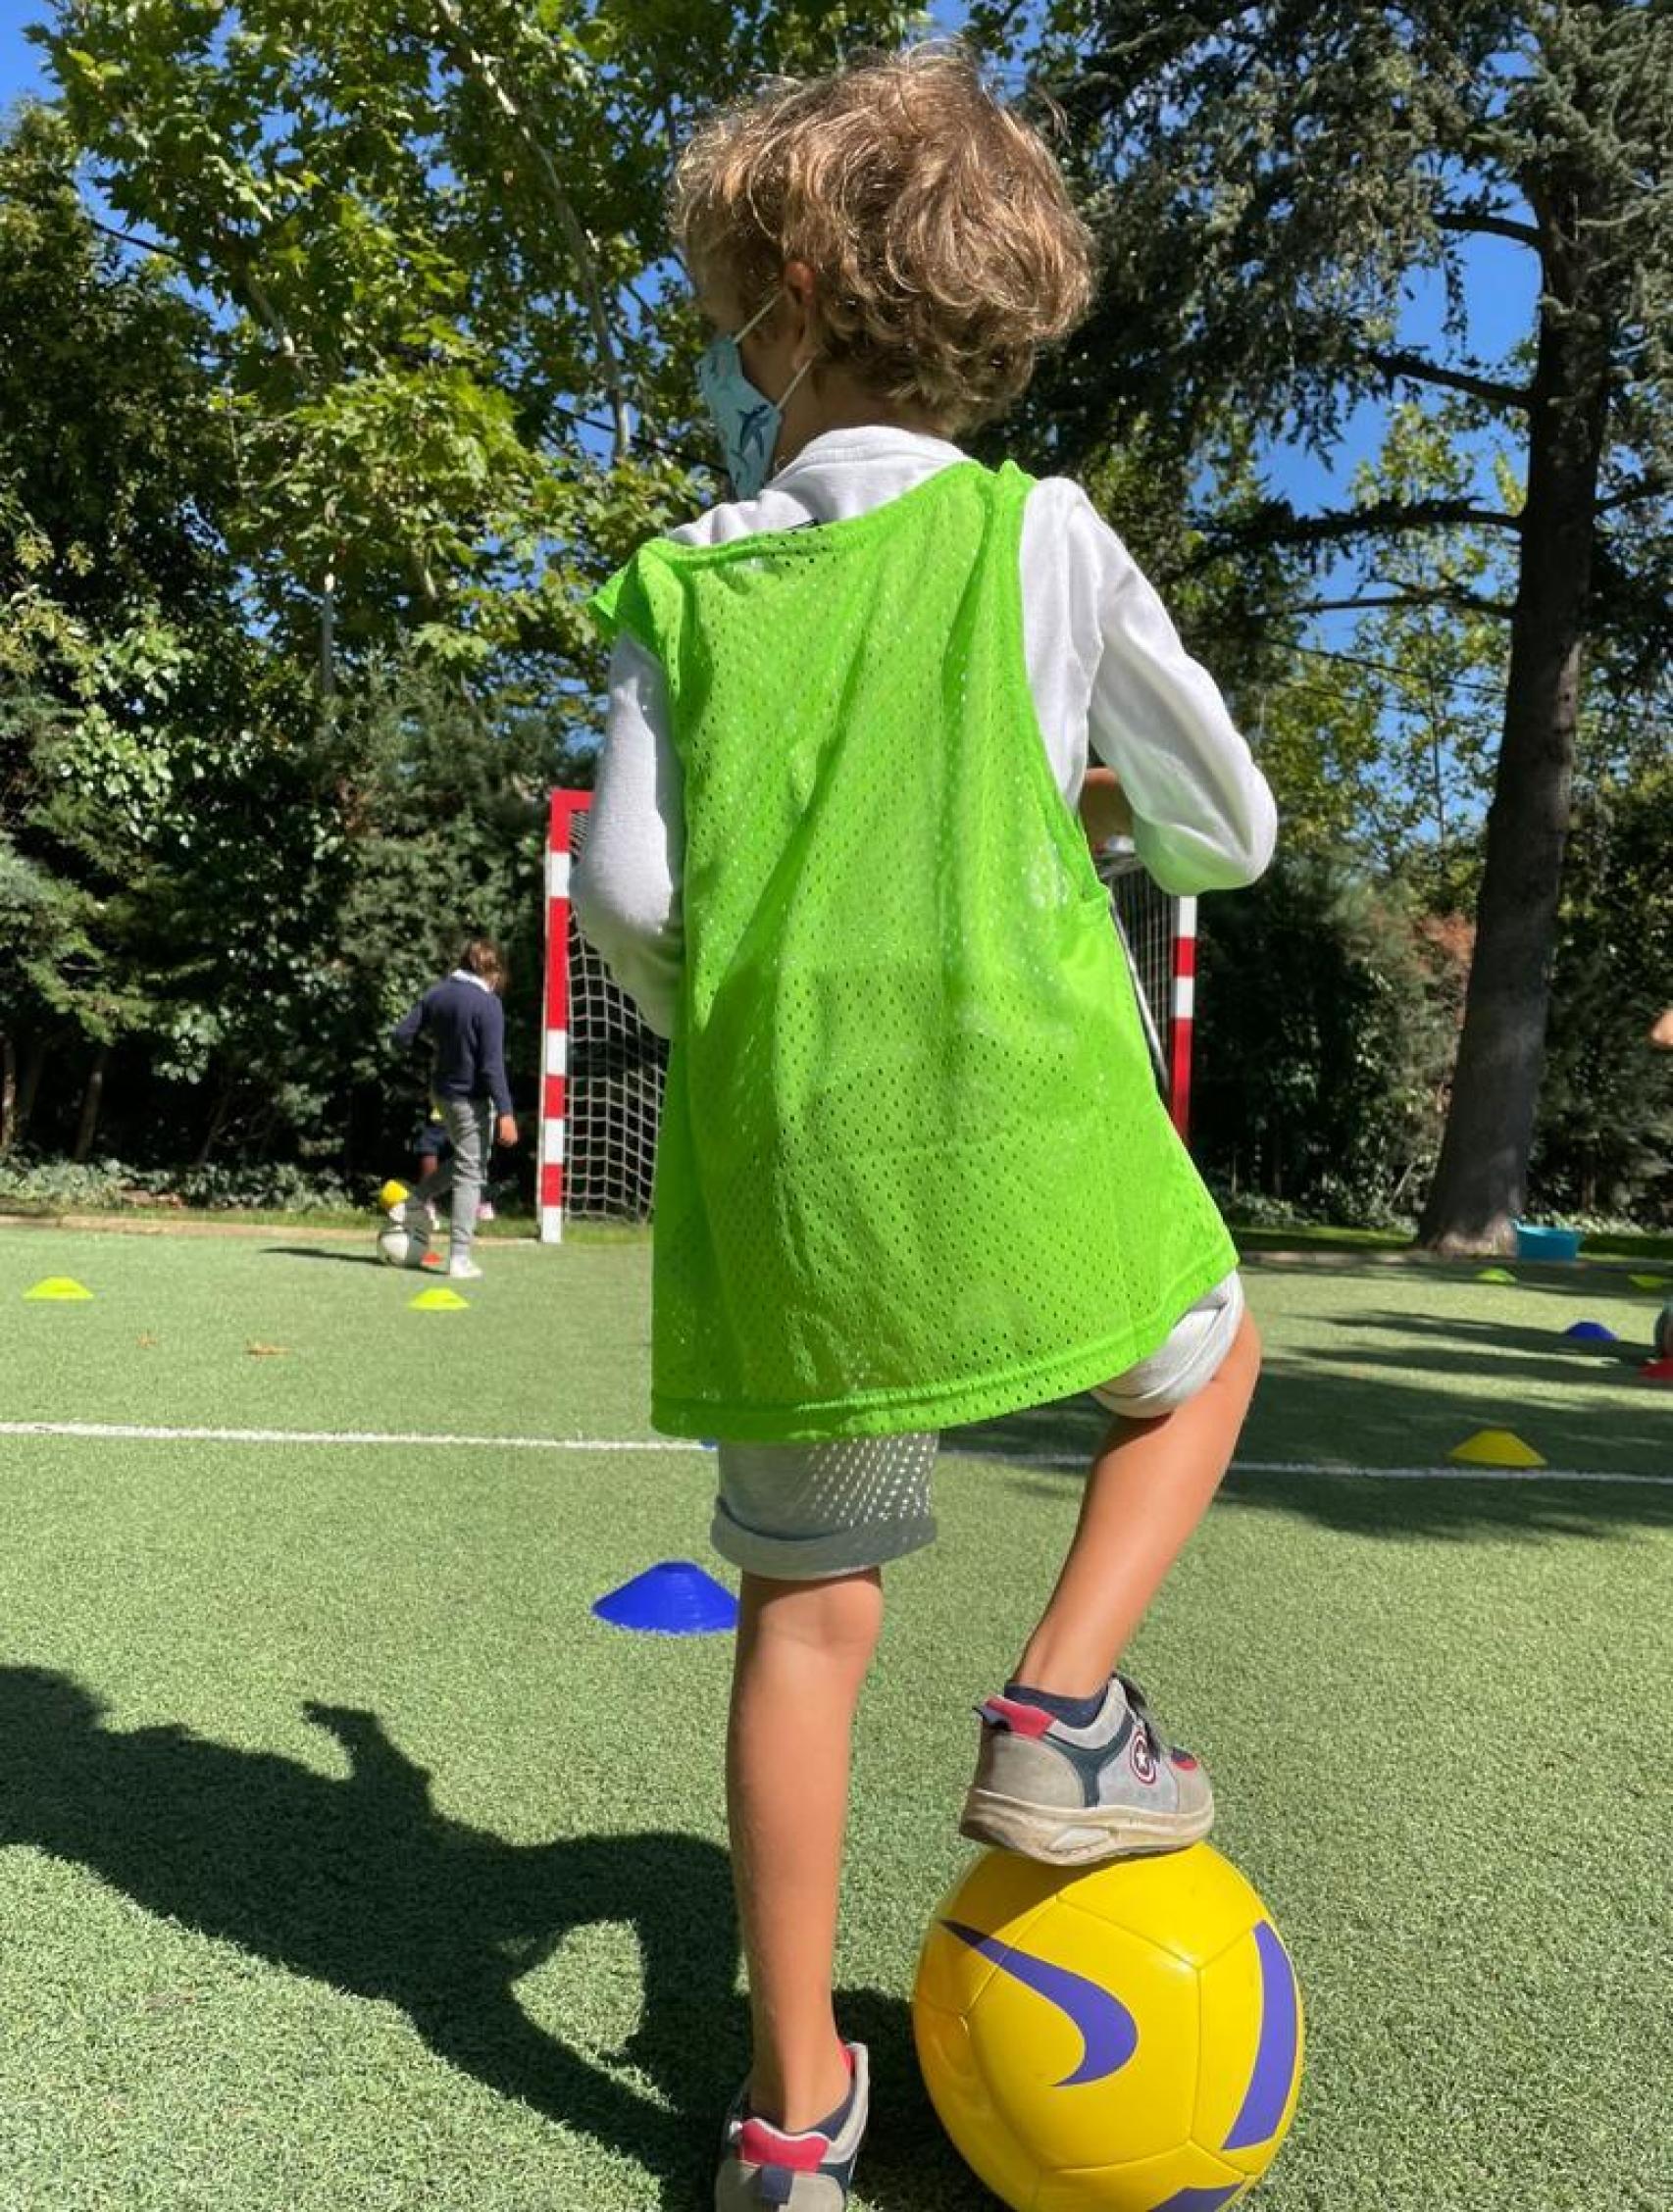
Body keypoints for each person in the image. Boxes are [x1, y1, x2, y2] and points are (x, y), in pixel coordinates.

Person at [571, 48, 1277, 2211]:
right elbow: (1230, 833)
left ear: (791, 296)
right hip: (1031, 1143)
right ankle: (1060, 1708)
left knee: (805, 1608)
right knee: (1199, 1361)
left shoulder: (684, 581)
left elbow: (629, 902)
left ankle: (792, 2120)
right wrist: (1084, 809)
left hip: (803, 1191)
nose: (716, 358)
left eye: (721, 313)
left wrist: (760, 1012)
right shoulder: (1040, 538)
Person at [387, 937, 518, 1280]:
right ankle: (459, 1257)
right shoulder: (488, 1004)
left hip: (441, 1094)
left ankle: (413, 1202)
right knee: (471, 1173)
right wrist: (506, 1112)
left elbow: (400, 1036)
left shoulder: (438, 993)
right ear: (494, 971)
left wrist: (431, 1057)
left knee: (467, 1161)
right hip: (469, 1099)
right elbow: (492, 1066)